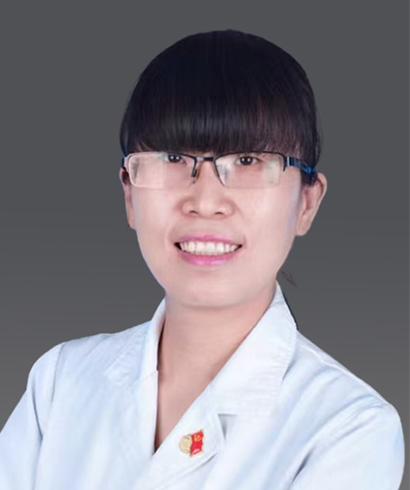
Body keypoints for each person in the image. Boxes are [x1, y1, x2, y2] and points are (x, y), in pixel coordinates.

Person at [0, 29, 405, 490]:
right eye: (174, 158)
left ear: (307, 203)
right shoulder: (61, 382)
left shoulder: (348, 429)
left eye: (249, 161)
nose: (206, 201)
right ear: (129, 195)